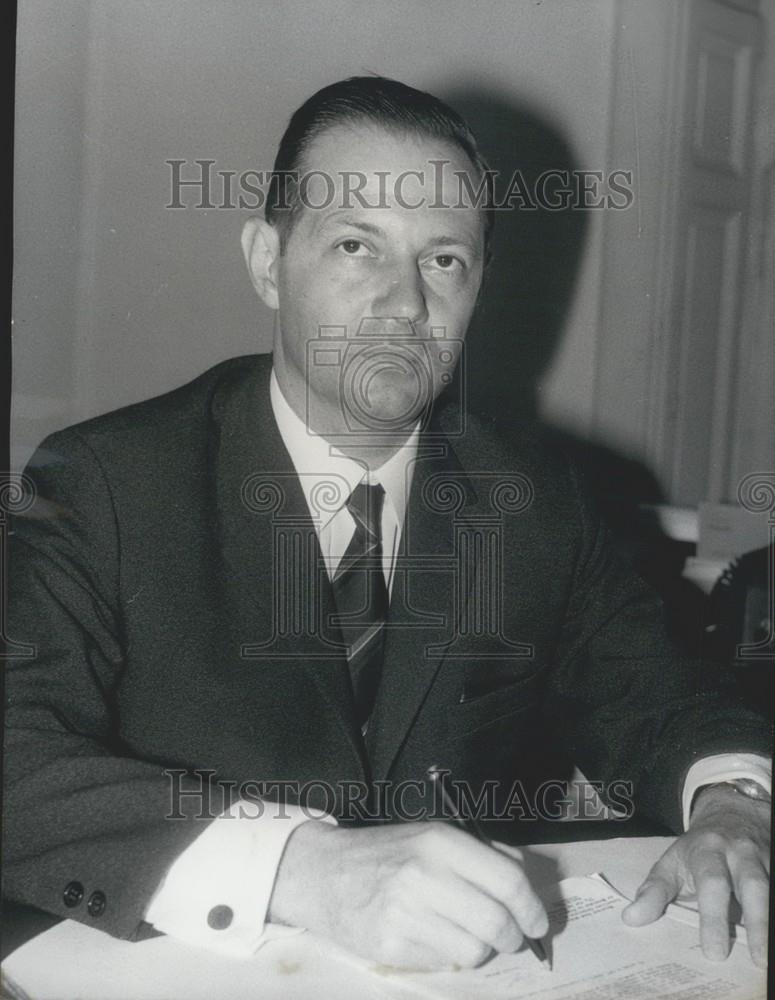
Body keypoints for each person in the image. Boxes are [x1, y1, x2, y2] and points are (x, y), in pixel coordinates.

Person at [4, 76, 771, 971]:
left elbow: (661, 695)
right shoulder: (106, 481)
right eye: (357, 246)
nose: (406, 304)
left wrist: (732, 800)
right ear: (265, 260)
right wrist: (302, 869)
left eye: (444, 259)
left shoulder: (534, 498)